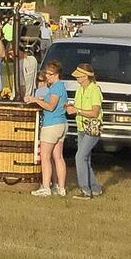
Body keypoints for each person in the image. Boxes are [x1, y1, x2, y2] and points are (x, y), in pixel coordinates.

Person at [31, 61, 69, 197]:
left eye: (50, 74)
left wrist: (35, 100)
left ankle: (46, 187)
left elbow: (50, 106)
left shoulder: (55, 87)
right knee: (58, 157)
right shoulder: (61, 87)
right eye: (46, 73)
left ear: (57, 74)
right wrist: (41, 98)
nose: (47, 76)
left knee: (45, 156)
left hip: (51, 124)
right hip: (62, 124)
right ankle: (61, 187)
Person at [70, 62, 104, 197]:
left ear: (86, 76)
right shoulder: (79, 90)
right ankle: (95, 188)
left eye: (79, 76)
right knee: (85, 159)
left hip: (92, 128)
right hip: (81, 127)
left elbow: (95, 112)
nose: (77, 78)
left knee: (80, 157)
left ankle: (85, 190)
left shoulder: (94, 90)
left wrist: (77, 110)